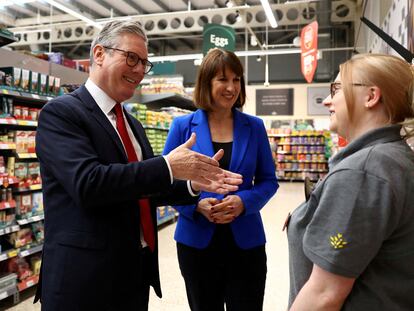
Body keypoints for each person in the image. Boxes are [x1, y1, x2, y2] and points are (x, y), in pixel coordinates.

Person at [34, 21, 243, 311]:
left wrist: (193, 184)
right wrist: (168, 166)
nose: (139, 70)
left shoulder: (132, 123)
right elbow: (88, 184)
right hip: (83, 280)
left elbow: (143, 189)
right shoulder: (61, 113)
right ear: (98, 54)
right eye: (131, 58)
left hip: (133, 273)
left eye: (144, 63)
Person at [287, 53, 414, 310]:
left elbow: (324, 295)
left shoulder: (363, 171)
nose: (326, 100)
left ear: (370, 96)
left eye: (336, 89)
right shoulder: (392, 157)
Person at [162, 48, 278, 311]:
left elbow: (268, 181)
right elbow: (165, 182)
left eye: (236, 79)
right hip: (197, 243)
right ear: (206, 82)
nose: (231, 87)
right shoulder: (182, 127)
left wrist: (243, 201)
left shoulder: (255, 126)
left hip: (246, 241)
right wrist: (195, 205)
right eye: (222, 79)